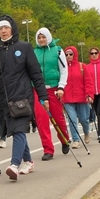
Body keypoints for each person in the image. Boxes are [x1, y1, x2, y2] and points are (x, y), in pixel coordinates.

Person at [0, 15, 49, 181]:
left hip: (22, 96)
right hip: (4, 99)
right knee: (16, 130)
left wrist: (43, 97)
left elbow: (36, 74)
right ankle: (28, 160)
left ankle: (14, 164)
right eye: (0, 29)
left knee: (19, 129)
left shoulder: (24, 47)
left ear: (12, 29)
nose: (3, 31)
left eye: (6, 27)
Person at [32, 27, 70, 161]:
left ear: (48, 37)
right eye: (39, 37)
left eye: (43, 37)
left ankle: (65, 139)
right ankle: (48, 149)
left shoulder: (58, 51)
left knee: (58, 119)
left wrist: (61, 87)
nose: (41, 40)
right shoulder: (33, 52)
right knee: (42, 120)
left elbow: (64, 71)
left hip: (54, 88)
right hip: (37, 89)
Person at [62, 46, 94, 148]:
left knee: (84, 119)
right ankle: (76, 140)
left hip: (82, 98)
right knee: (72, 120)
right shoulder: (63, 68)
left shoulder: (82, 66)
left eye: (70, 54)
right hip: (68, 99)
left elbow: (88, 82)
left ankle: (86, 132)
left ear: (75, 54)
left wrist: (89, 94)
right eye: (66, 54)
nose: (68, 56)